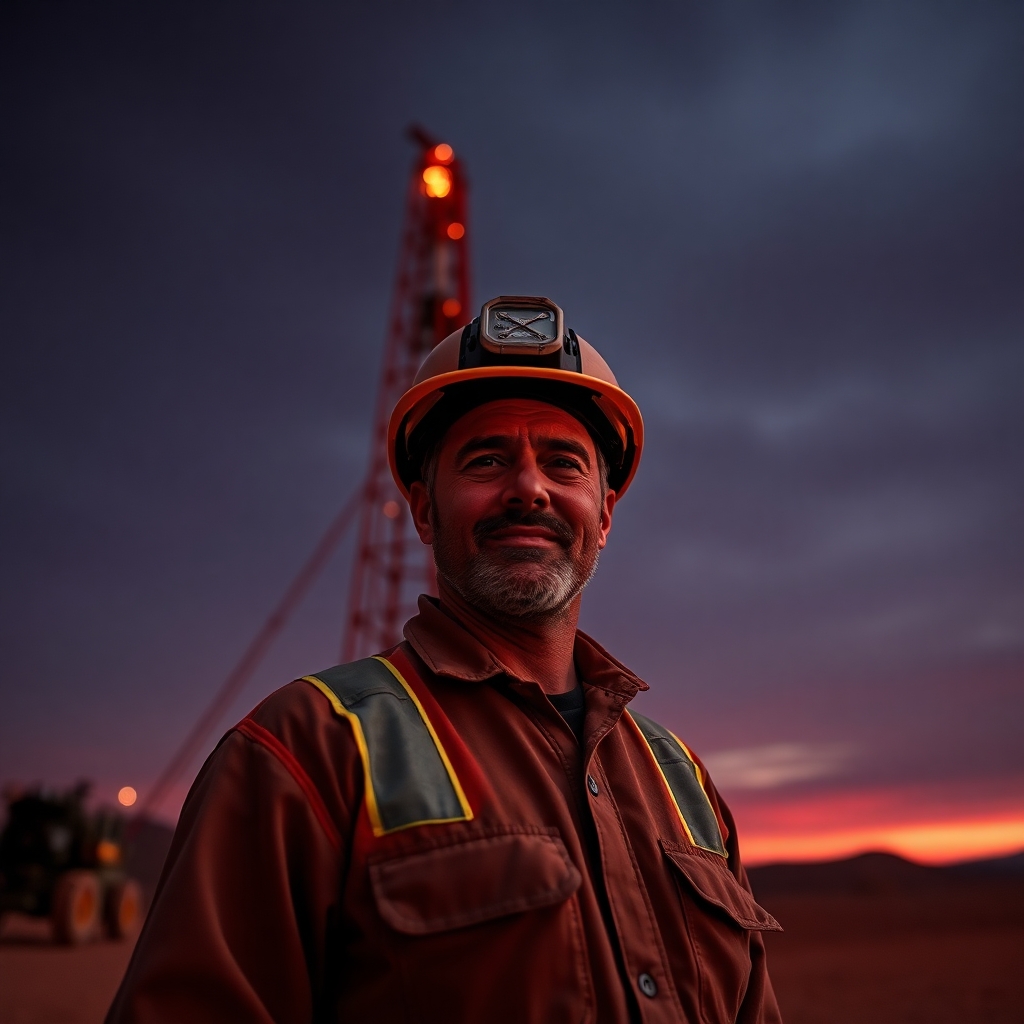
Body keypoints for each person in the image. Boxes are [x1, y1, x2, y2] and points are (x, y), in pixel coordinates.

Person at [107, 296, 782, 1024]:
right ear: (425, 511)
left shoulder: (682, 783)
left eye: (564, 462)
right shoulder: (302, 753)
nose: (530, 488)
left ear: (605, 513)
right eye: (487, 460)